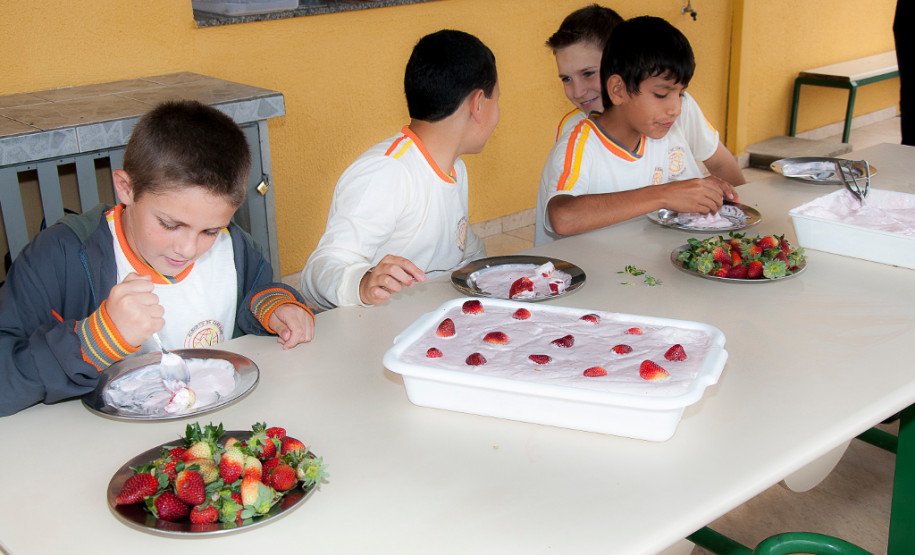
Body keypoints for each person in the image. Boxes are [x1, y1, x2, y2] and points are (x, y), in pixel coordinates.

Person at [0, 100, 314, 416]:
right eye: (169, 224)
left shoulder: (233, 246)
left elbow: (255, 290)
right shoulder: (60, 257)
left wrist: (273, 306)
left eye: (210, 231)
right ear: (126, 188)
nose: (188, 249)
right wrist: (94, 341)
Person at [301, 29, 499, 311]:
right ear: (478, 104)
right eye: (497, 100)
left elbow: (462, 246)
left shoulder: (456, 167)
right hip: (375, 330)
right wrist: (363, 283)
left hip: (431, 319)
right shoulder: (387, 172)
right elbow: (319, 269)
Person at [535, 16, 742, 245]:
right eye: (661, 95)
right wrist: (664, 194)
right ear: (617, 88)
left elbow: (718, 164)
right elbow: (563, 217)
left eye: (681, 94)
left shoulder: (652, 128)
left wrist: (707, 193)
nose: (676, 109)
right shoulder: (578, 141)